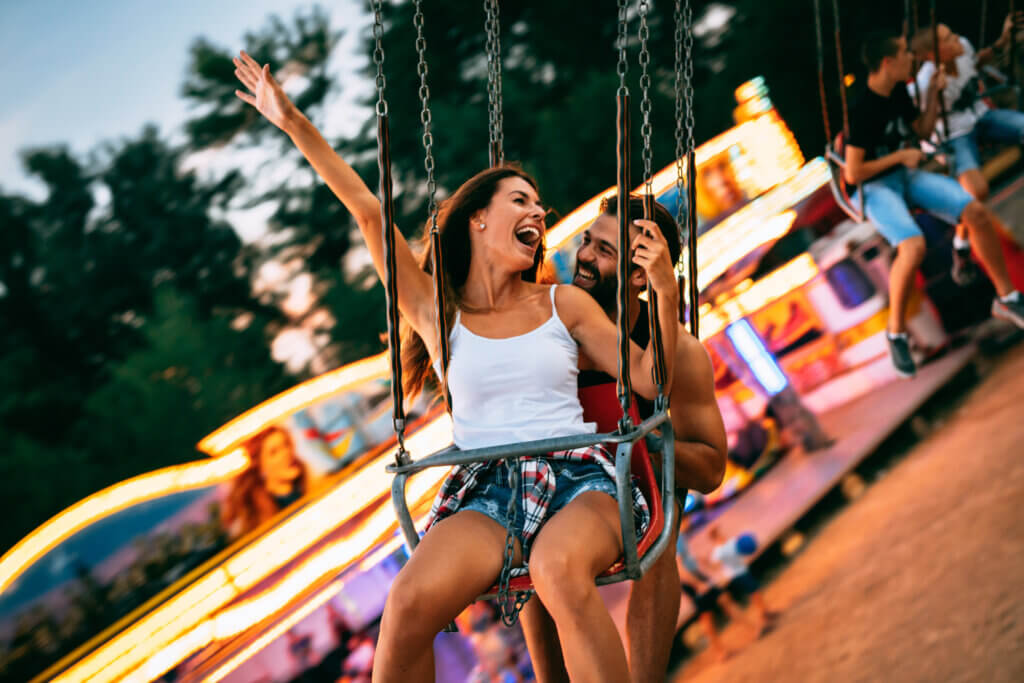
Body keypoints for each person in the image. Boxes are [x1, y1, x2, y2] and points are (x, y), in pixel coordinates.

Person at [233, 52, 681, 682]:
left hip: (579, 479)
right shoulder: (436, 315)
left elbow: (651, 383)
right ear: (478, 218)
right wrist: (293, 124)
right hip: (486, 491)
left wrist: (661, 291)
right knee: (408, 603)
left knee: (555, 569)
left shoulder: (564, 303)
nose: (538, 213)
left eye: (540, 208)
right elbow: (367, 210)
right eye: (521, 200)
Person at [517, 196, 728, 683]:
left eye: (603, 250)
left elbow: (713, 469)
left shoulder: (681, 352)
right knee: (525, 533)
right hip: (562, 493)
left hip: (638, 493)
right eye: (587, 242)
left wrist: (644, 446)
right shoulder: (547, 329)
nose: (584, 256)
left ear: (639, 275)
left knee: (661, 533)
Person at [845, 31, 1024, 378]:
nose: (911, 59)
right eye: (904, 54)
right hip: (872, 185)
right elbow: (853, 172)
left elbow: (924, 133)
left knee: (974, 210)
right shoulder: (863, 109)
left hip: (904, 173)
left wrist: (931, 96)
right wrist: (899, 155)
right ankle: (895, 332)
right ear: (888, 62)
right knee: (913, 246)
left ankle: (1006, 298)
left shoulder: (899, 91)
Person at [911, 14, 1024, 285]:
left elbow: (977, 61)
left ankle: (962, 244)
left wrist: (1003, 40)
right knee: (976, 192)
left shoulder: (963, 47)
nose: (957, 39)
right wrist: (934, 97)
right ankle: (961, 244)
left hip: (981, 117)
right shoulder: (925, 84)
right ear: (932, 55)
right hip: (954, 136)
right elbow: (919, 127)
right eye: (948, 39)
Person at [221, 425, 309, 537]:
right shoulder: (262, 516)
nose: (286, 453)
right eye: (274, 452)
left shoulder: (309, 486)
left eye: (286, 444)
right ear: (261, 466)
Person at [706, 526, 775, 637]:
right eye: (717, 532)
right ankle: (763, 615)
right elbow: (715, 565)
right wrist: (707, 563)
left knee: (755, 592)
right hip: (736, 575)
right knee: (754, 592)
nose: (720, 533)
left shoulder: (729, 543)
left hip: (741, 571)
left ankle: (764, 612)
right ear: (714, 536)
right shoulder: (718, 551)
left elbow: (742, 550)